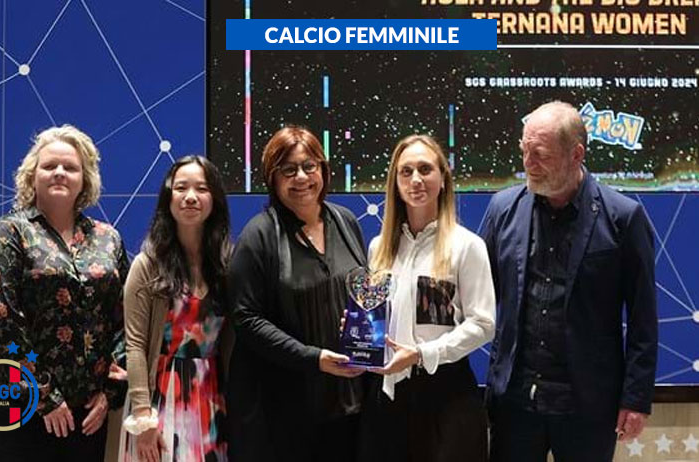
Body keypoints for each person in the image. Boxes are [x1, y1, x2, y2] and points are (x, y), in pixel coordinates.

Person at [482, 101, 658, 461]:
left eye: (541, 155)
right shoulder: (502, 209)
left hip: (588, 406)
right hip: (514, 403)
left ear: (576, 154)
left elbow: (643, 319)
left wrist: (636, 398)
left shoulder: (624, 218)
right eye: (524, 151)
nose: (528, 164)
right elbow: (477, 296)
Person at [0, 125, 128, 461]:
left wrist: (110, 392)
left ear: (85, 179)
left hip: (86, 409)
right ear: (32, 175)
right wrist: (45, 395)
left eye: (70, 167)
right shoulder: (8, 232)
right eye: (49, 165)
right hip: (15, 401)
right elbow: (1, 318)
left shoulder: (107, 238)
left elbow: (126, 318)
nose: (59, 172)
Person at [227, 126, 366, 462]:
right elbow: (246, 319)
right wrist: (312, 358)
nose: (301, 177)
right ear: (272, 179)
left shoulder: (346, 222)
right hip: (285, 412)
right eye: (288, 170)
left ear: (323, 170)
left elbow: (363, 293)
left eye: (309, 166)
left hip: (349, 406)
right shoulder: (258, 236)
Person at [358, 134, 495, 462]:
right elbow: (376, 315)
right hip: (388, 397)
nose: (416, 180)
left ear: (443, 178)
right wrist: (359, 330)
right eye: (406, 172)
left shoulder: (467, 246)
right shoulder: (379, 248)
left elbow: (483, 324)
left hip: (446, 398)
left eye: (425, 169)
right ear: (395, 183)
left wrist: (422, 354)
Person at [120, 156, 232, 462]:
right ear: (168, 198)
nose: (191, 197)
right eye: (181, 188)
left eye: (202, 189)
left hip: (211, 396)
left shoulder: (226, 265)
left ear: (215, 199)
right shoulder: (147, 265)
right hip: (159, 399)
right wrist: (143, 417)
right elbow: (135, 345)